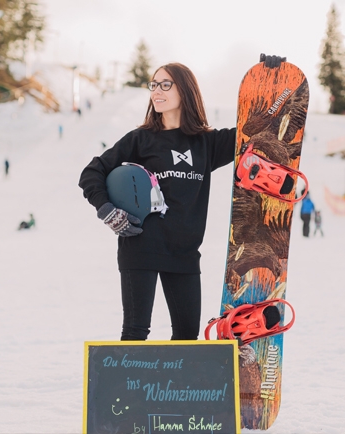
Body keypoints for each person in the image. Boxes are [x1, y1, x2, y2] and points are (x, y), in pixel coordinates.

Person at [78, 62, 238, 341]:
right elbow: (92, 172)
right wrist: (107, 211)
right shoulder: (140, 140)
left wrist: (269, 81)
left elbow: (257, 132)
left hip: (185, 253)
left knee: (187, 336)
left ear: (185, 90)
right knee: (136, 332)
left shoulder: (207, 144)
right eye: (153, 84)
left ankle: (172, 387)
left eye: (166, 84)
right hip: (141, 246)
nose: (157, 91)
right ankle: (128, 386)